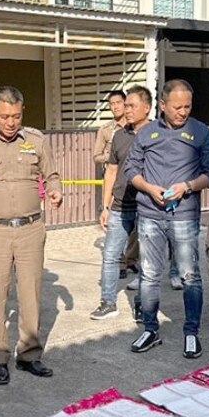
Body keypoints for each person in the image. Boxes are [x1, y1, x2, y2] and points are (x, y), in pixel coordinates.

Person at [0, 86, 63, 386]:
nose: (11, 122)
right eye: (5, 116)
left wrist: (56, 190)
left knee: (30, 294)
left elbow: (52, 174)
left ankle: (29, 355)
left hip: (31, 229)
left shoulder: (35, 140)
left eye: (16, 116)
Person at [124, 79, 209, 358]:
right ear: (162, 105)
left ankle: (191, 333)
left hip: (184, 215)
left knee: (190, 276)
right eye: (177, 107)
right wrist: (148, 188)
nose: (183, 112)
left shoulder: (200, 132)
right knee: (150, 276)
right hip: (150, 215)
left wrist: (187, 187)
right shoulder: (146, 133)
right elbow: (131, 169)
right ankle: (150, 329)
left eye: (187, 106)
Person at [90, 86, 153, 321]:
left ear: (146, 108)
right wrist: (104, 206)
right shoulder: (119, 135)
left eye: (131, 106)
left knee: (147, 257)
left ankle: (142, 306)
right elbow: (111, 171)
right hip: (119, 206)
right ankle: (108, 302)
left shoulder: (157, 134)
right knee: (110, 255)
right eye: (125, 106)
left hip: (148, 206)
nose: (126, 110)